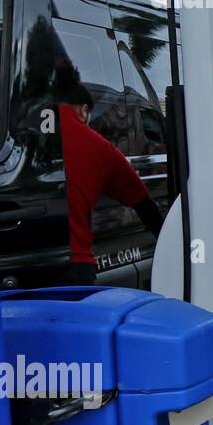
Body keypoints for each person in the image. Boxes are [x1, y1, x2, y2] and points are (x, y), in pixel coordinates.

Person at [54, 81, 164, 286]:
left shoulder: (25, 129)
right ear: (84, 109)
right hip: (75, 264)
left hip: (23, 262)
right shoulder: (99, 146)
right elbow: (143, 203)